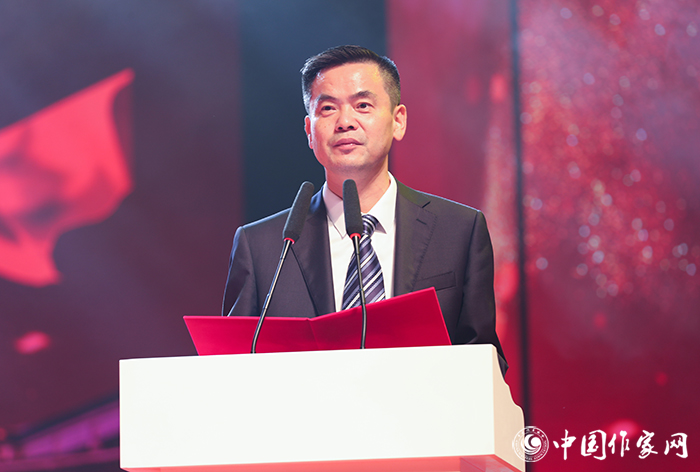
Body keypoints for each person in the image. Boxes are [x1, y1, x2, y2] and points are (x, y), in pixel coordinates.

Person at [222, 45, 507, 375]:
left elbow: (484, 361)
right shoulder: (263, 247)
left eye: (362, 106)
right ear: (309, 132)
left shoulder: (458, 231)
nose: (345, 122)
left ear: (398, 121)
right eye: (328, 109)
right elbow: (232, 369)